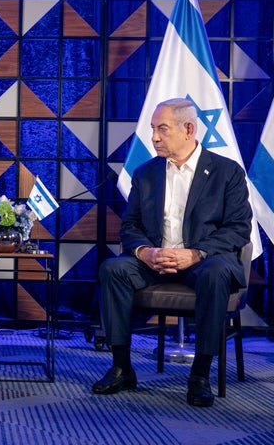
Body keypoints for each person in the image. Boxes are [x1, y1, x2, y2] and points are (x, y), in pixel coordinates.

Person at [93, 98, 252, 407]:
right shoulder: (145, 173)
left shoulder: (226, 172)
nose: (153, 137)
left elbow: (238, 229)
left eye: (161, 129)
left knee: (217, 273)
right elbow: (130, 225)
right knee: (112, 269)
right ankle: (122, 367)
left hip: (204, 262)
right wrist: (144, 252)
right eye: (153, 129)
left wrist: (195, 254)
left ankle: (200, 375)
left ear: (188, 129)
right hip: (155, 260)